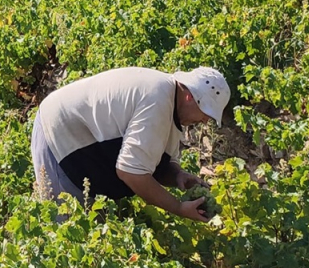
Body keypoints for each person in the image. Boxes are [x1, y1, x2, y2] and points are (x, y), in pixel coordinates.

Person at [30, 66, 230, 221]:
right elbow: (131, 173)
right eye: (206, 112)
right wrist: (178, 208)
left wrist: (177, 176)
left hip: (83, 147)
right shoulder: (158, 99)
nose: (205, 120)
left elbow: (152, 164)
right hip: (59, 138)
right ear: (190, 96)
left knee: (93, 236)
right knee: (65, 234)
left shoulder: (170, 106)